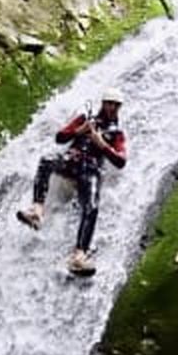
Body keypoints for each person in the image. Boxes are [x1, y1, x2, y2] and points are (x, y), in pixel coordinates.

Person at [16, 87, 127, 275]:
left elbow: (121, 161)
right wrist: (79, 131)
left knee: (92, 206)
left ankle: (79, 255)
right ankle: (37, 210)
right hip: (71, 161)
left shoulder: (117, 134)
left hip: (90, 170)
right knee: (47, 160)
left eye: (116, 105)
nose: (112, 108)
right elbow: (60, 137)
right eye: (110, 103)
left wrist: (102, 145)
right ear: (103, 103)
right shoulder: (85, 119)